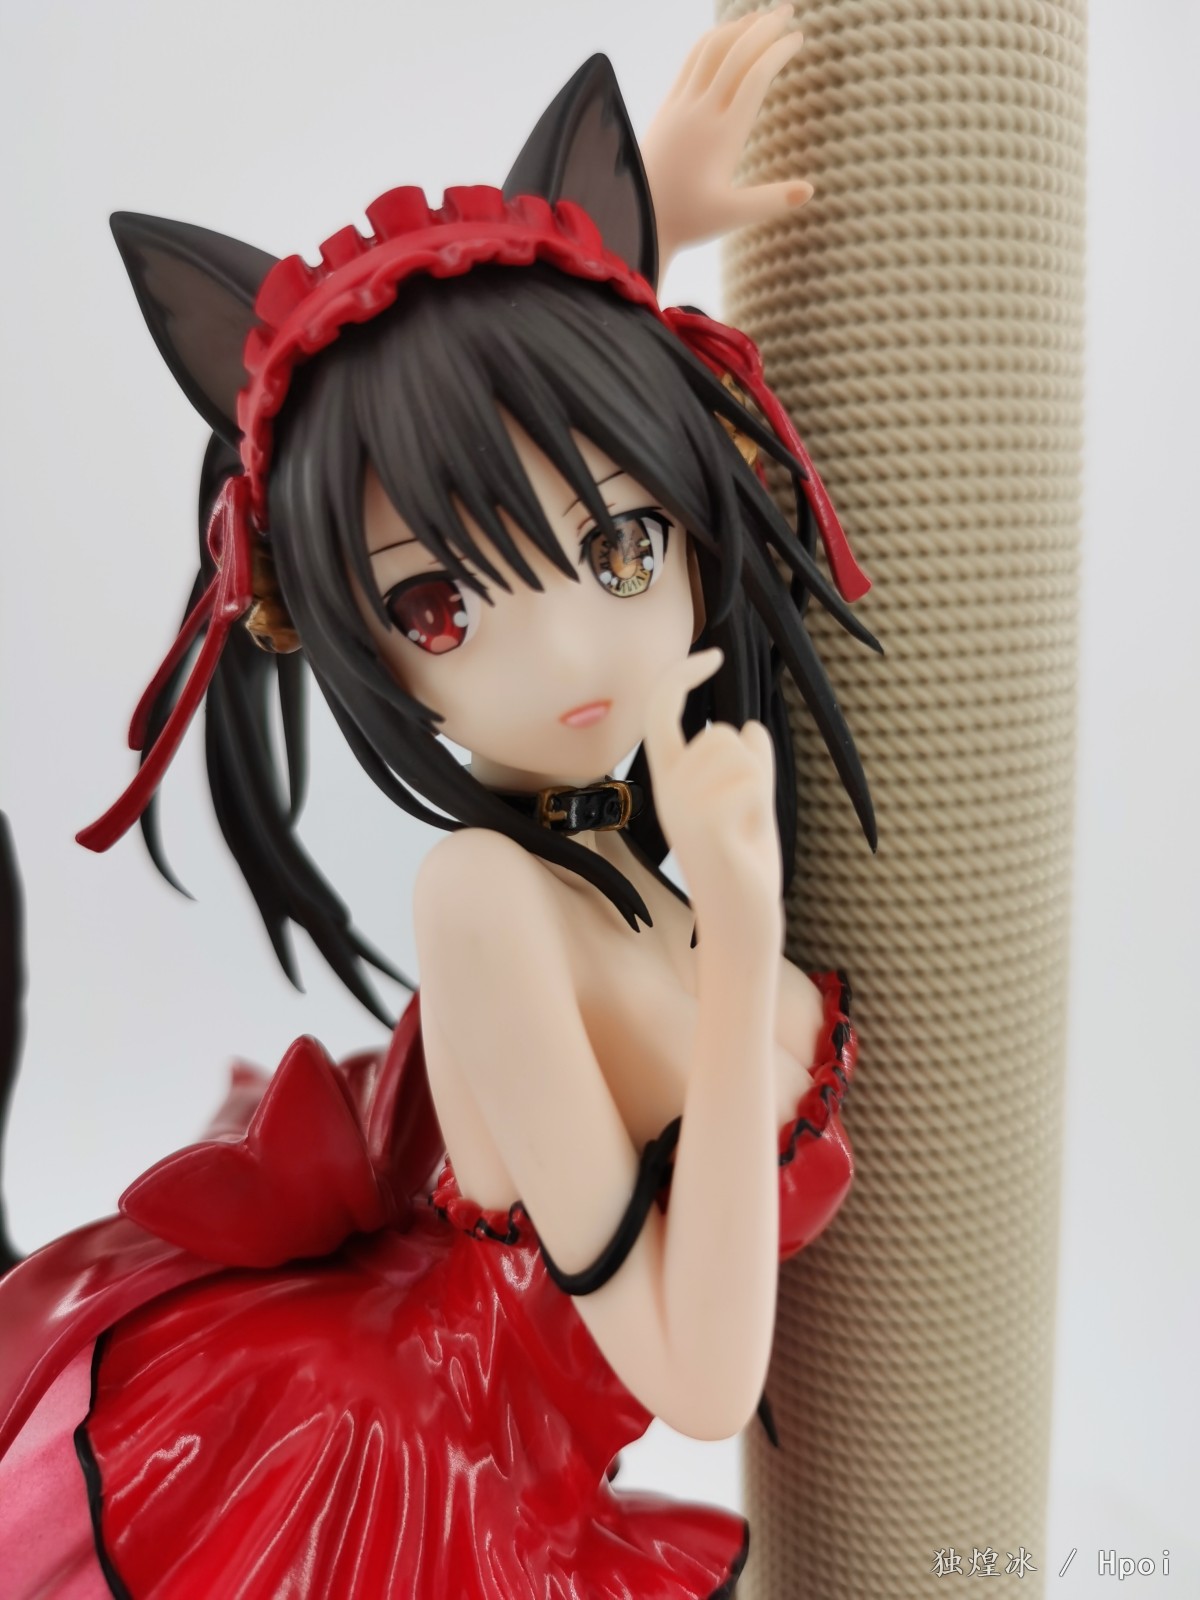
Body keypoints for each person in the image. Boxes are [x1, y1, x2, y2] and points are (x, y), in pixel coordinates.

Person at [0, 10, 878, 1596]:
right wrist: (746, 932)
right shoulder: (484, 896)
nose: (572, 656)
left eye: (621, 549)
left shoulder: (617, 847)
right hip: (428, 1480)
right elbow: (698, 1384)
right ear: (346, 642)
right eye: (440, 609)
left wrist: (644, 228)